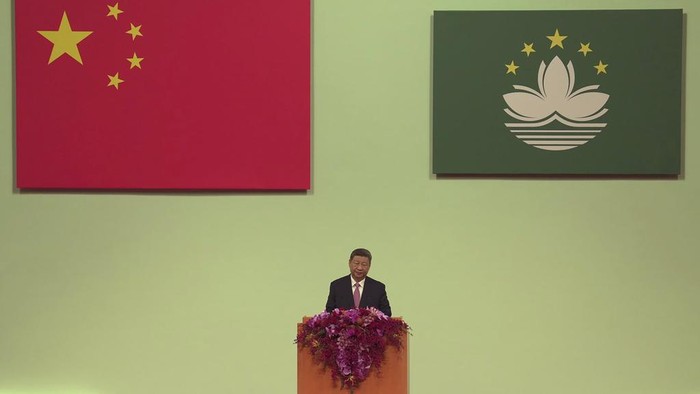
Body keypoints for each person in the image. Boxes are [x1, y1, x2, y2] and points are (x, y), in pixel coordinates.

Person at [325, 248, 392, 316]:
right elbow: (329, 312)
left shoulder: (378, 288)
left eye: (364, 264)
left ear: (369, 266)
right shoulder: (337, 286)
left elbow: (387, 313)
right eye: (356, 263)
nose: (360, 268)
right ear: (349, 263)